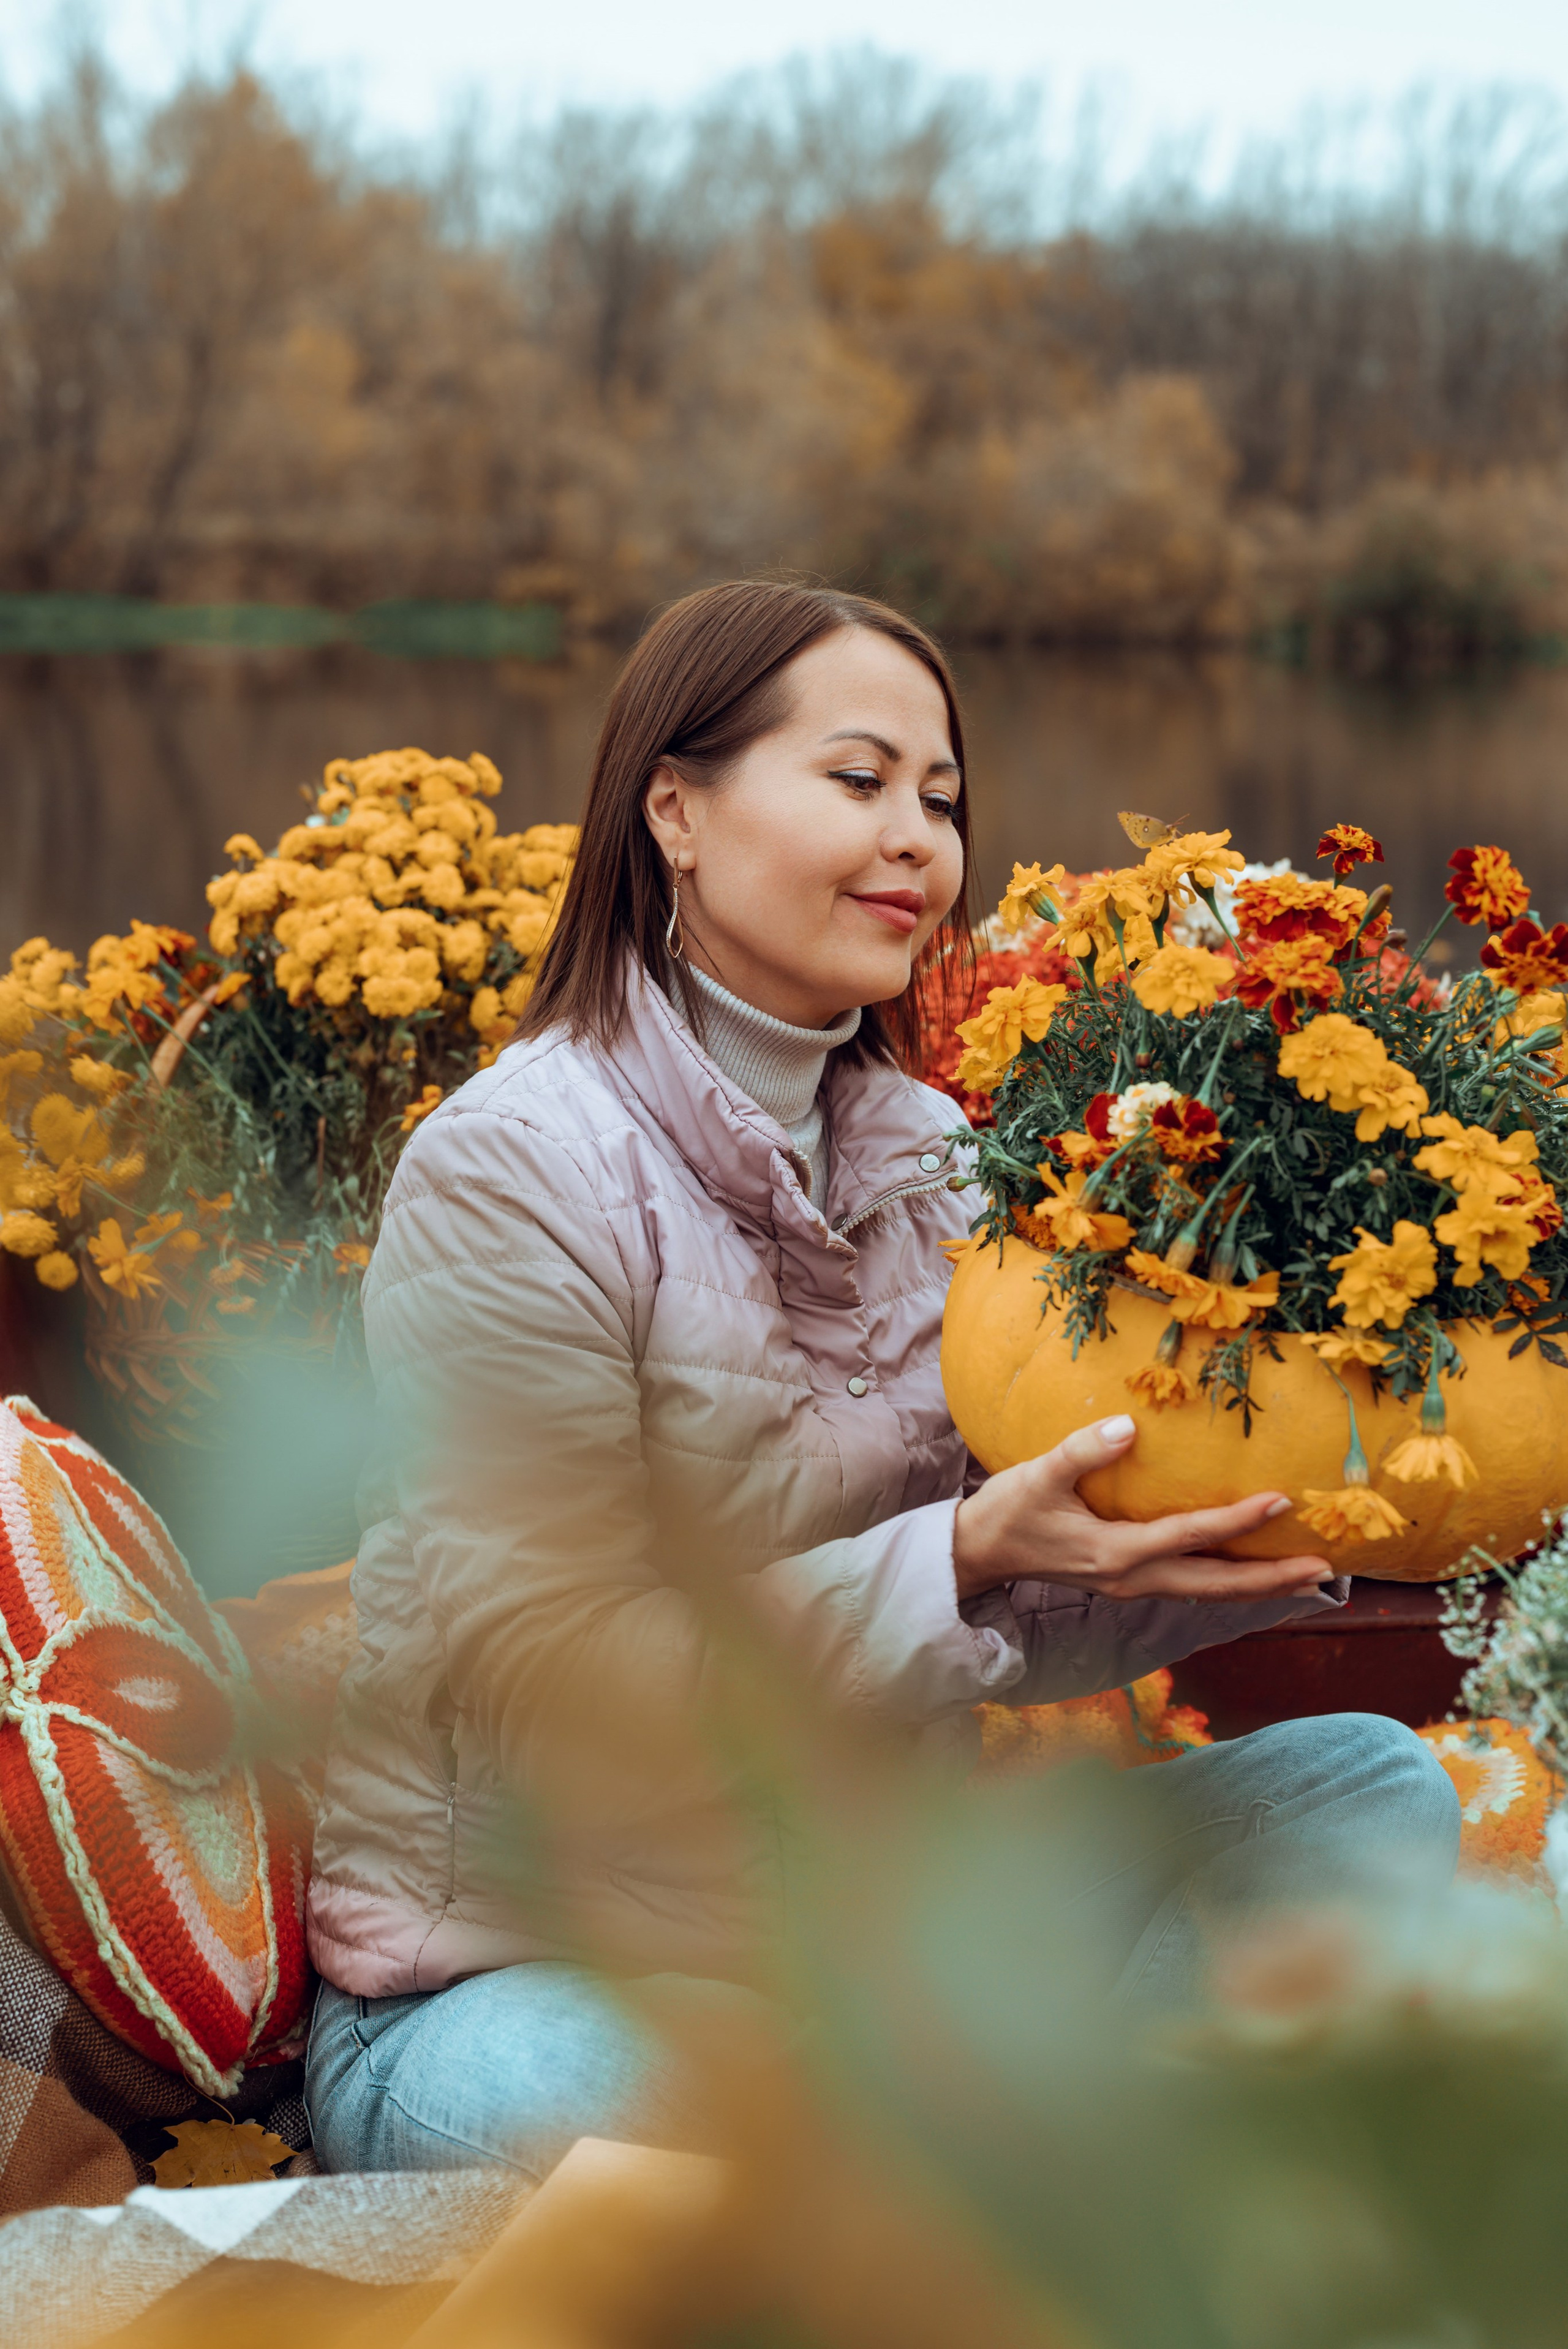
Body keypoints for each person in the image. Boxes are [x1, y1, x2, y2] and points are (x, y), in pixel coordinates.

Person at [304, 581, 1459, 2179]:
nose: (918, 836)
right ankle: (1079, 2153)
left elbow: (1010, 1604)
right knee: (773, 2115)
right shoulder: (510, 1172)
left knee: (1361, 1786)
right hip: (524, 1979)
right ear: (677, 809)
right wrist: (964, 1554)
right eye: (858, 779)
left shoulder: (937, 1160)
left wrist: (1316, 1526)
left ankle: (1032, 2144)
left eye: (943, 797)